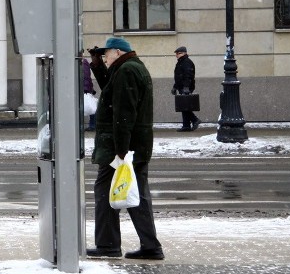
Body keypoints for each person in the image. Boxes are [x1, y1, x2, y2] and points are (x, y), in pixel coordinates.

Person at [87, 37, 163, 261]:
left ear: (117, 52)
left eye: (106, 55)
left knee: (105, 191)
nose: (105, 58)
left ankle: (109, 244)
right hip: (133, 145)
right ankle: (150, 246)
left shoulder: (127, 71)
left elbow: (123, 113)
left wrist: (121, 150)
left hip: (121, 148)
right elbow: (112, 93)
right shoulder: (129, 68)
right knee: (136, 195)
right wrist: (98, 66)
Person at [172, 46, 201, 132]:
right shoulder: (180, 62)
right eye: (176, 54)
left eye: (178, 53)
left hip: (186, 87)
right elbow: (178, 77)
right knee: (184, 105)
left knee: (185, 105)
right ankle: (186, 125)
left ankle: (195, 120)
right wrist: (175, 87)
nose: (176, 55)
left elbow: (188, 76)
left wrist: (186, 87)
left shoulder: (187, 62)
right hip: (182, 86)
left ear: (183, 53)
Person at [82, 50, 96, 131]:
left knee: (90, 107)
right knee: (91, 106)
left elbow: (85, 77)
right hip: (86, 88)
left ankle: (92, 125)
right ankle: (92, 124)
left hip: (84, 89)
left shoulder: (83, 62)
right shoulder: (84, 62)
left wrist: (87, 89)